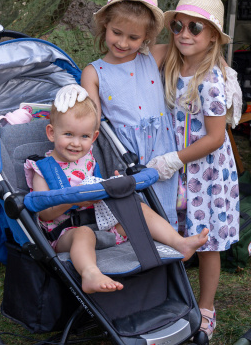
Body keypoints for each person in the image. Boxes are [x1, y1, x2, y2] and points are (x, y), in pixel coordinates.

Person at [24, 91, 208, 294]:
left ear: (94, 137)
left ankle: (179, 242)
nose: (76, 143)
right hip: (66, 234)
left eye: (84, 136)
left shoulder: (89, 159)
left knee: (138, 208)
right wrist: (75, 197)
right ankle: (90, 273)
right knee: (83, 233)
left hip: (101, 226)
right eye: (68, 134)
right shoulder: (42, 169)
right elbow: (44, 212)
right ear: (51, 133)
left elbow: (101, 189)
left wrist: (114, 184)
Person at [150, 0, 241, 340]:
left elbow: (215, 138)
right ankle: (168, 299)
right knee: (173, 232)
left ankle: (206, 307)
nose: (184, 33)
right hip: (177, 169)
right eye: (177, 25)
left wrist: (174, 159)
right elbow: (138, 57)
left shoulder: (212, 80)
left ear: (213, 36)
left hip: (206, 174)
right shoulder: (171, 60)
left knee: (206, 242)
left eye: (195, 27)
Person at [80, 0, 179, 229]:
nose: (123, 43)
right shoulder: (94, 72)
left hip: (161, 147)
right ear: (105, 25)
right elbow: (93, 125)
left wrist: (221, 64)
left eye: (133, 37)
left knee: (163, 208)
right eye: (116, 33)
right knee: (133, 214)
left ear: (147, 37)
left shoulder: (152, 56)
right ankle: (137, 259)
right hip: (125, 152)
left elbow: (193, 51)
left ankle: (169, 257)